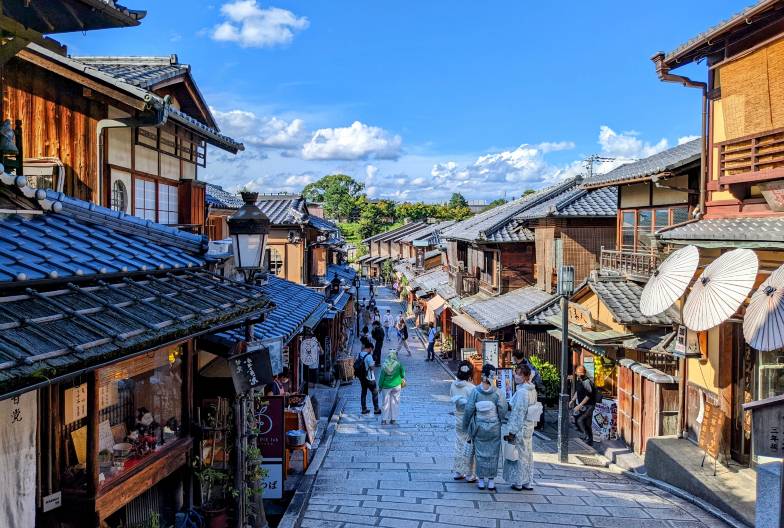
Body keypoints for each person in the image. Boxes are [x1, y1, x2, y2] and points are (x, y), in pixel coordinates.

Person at [462, 364, 507, 491]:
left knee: (480, 453)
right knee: (493, 453)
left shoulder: (476, 391)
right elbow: (503, 409)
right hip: (494, 426)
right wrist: (500, 418)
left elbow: (469, 409)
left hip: (479, 426)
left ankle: (481, 480)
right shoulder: (498, 393)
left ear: (483, 375)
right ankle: (491, 481)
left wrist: (465, 425)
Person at [503, 363, 541, 491]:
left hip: (520, 427)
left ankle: (519, 482)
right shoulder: (532, 389)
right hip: (529, 426)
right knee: (527, 454)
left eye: (519, 374)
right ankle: (527, 481)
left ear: (525, 377)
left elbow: (518, 413)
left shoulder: (522, 392)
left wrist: (512, 431)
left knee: (518, 454)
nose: (515, 376)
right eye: (516, 373)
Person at [450, 361, 476, 482]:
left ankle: (458, 471)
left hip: (458, 417)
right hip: (469, 419)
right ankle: (470, 473)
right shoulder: (472, 388)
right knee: (470, 445)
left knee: (459, 443)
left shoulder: (453, 385)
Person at [569, 365, 596, 446]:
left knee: (580, 420)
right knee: (585, 422)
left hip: (589, 405)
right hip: (584, 405)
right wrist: (572, 400)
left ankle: (587, 437)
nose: (578, 374)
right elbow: (578, 392)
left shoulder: (586, 381)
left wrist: (579, 405)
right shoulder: (580, 380)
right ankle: (588, 439)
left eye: (579, 372)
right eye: (578, 372)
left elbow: (589, 395)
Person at [378, 350, 405, 425]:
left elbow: (381, 377)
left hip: (386, 386)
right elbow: (403, 375)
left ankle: (384, 420)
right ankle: (393, 419)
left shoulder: (384, 365)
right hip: (396, 386)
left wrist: (380, 386)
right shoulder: (398, 364)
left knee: (385, 403)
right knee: (395, 402)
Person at [356, 337, 381, 415]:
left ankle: (364, 409)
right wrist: (373, 362)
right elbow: (372, 368)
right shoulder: (369, 356)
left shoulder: (359, 354)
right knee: (375, 392)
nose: (372, 351)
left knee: (364, 392)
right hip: (369, 378)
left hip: (361, 377)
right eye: (372, 349)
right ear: (370, 348)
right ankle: (376, 409)